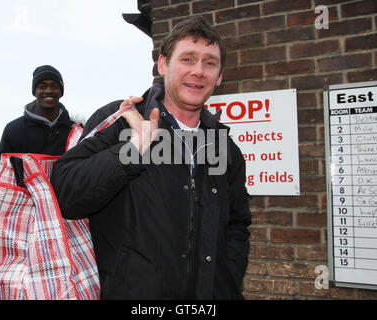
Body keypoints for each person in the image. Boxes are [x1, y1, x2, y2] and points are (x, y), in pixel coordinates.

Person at [51, 16, 252, 300]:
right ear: (163, 65)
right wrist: (133, 149)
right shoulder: (123, 119)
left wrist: (228, 282)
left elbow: (237, 226)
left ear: (219, 76)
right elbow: (65, 194)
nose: (198, 71)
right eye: (188, 59)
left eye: (209, 63)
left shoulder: (224, 148)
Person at [0, 65, 77, 196]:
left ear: (61, 91)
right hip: (24, 206)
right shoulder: (13, 130)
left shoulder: (74, 132)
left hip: (63, 207)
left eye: (54, 86)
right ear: (34, 91)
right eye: (42, 86)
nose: (48, 91)